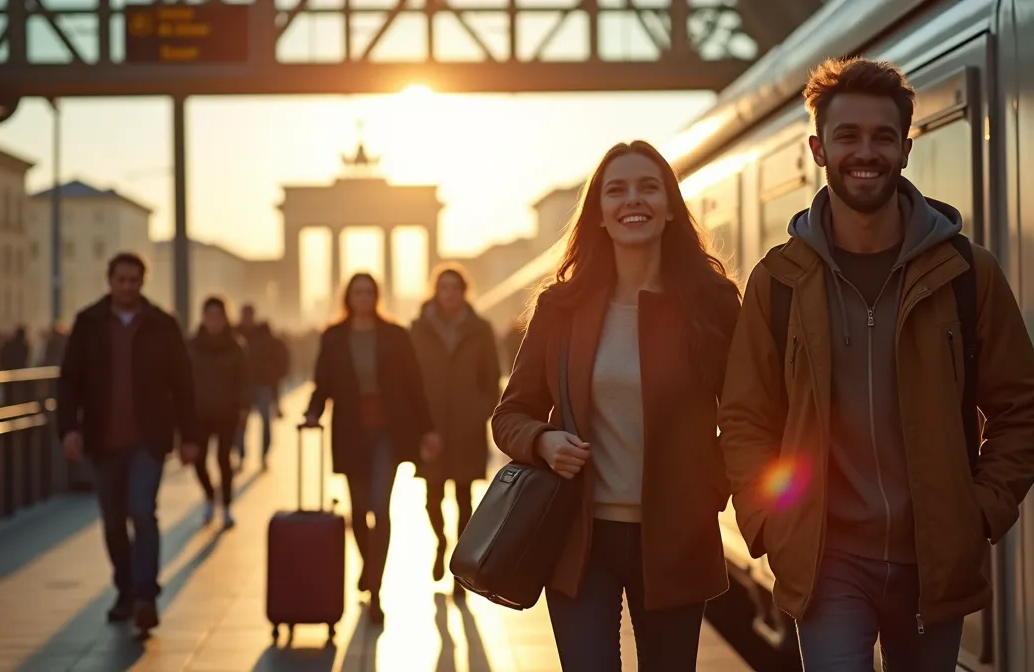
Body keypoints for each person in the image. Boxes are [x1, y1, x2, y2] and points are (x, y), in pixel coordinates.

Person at [718, 57, 1034, 671]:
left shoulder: (966, 273)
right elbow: (744, 417)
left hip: (933, 560)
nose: (863, 152)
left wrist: (977, 513)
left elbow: (1022, 407)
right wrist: (768, 519)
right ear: (819, 149)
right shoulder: (778, 282)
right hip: (826, 562)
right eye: (847, 136)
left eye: (881, 136)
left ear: (905, 147)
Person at [491, 140, 741, 671]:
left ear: (671, 205)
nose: (634, 199)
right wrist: (541, 440)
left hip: (675, 538)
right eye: (617, 189)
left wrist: (708, 489)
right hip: (578, 539)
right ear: (599, 213)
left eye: (649, 187)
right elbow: (509, 415)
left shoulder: (713, 305)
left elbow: (745, 417)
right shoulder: (560, 309)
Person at [57, 252, 202, 634]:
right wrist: (68, 429)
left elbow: (183, 384)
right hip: (103, 438)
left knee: (142, 510)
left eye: (134, 280)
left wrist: (190, 436)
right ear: (110, 280)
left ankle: (144, 596)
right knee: (112, 520)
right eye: (121, 279)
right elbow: (69, 379)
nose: (127, 286)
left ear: (142, 282)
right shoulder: (88, 324)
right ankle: (125, 589)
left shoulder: (162, 325)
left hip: (148, 439)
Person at [303, 272, 443, 625]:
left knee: (380, 508)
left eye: (368, 292)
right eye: (357, 292)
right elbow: (323, 383)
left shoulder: (395, 335)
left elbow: (415, 384)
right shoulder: (334, 336)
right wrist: (312, 413)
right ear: (347, 297)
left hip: (389, 433)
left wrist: (427, 429)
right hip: (351, 432)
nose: (363, 297)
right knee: (359, 509)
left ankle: (376, 590)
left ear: (376, 296)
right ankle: (369, 566)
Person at [407, 265, 501, 586]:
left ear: (464, 291)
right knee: (432, 497)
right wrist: (418, 423)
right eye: (444, 288)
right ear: (436, 291)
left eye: (455, 288)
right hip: (430, 426)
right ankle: (440, 542)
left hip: (467, 427)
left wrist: (480, 410)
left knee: (464, 497)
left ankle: (461, 567)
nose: (450, 294)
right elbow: (409, 378)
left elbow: (492, 377)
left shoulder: (481, 329)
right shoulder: (418, 329)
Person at [187, 296, 251, 528]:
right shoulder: (192, 346)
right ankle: (208, 496)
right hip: (199, 414)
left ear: (225, 319)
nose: (214, 322)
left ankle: (226, 506)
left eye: (218, 317)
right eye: (210, 316)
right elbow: (182, 381)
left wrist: (244, 408)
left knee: (224, 459)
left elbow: (245, 380)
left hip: (227, 412)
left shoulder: (236, 346)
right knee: (198, 460)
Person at [237, 304, 289, 470]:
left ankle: (264, 455)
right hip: (243, 386)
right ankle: (241, 454)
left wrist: (274, 376)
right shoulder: (235, 335)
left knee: (265, 420)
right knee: (240, 422)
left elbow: (281, 359)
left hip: (263, 384)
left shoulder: (266, 337)